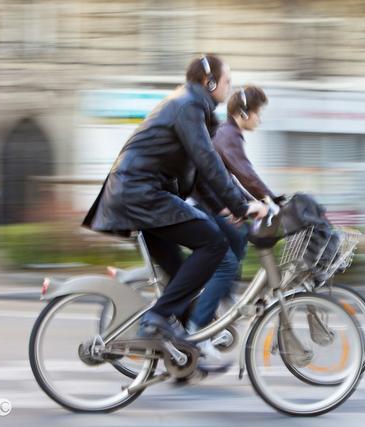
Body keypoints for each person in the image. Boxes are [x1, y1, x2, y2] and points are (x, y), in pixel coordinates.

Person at [82, 55, 269, 353]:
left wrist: (240, 203)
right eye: (228, 81)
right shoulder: (189, 106)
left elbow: (202, 177)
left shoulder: (197, 110)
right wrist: (241, 207)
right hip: (141, 194)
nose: (230, 87)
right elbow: (208, 162)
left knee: (179, 275)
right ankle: (156, 319)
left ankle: (183, 356)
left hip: (141, 195)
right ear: (209, 82)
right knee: (214, 244)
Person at [187, 86, 278, 346]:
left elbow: (229, 182)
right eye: (258, 113)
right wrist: (270, 199)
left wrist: (249, 204)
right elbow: (243, 172)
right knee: (227, 259)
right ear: (244, 113)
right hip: (205, 205)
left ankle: (224, 296)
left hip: (210, 203)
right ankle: (198, 329)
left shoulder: (227, 133)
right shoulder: (229, 135)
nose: (260, 119)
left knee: (240, 237)